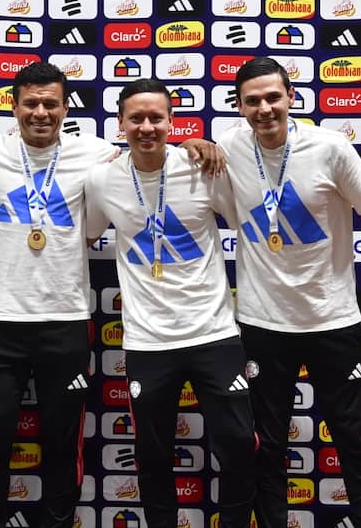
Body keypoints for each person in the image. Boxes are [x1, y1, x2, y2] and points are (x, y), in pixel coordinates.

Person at [218, 57, 361, 528]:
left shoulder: (329, 148)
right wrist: (194, 143)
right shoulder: (230, 149)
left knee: (353, 442)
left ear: (291, 98)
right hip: (263, 325)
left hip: (333, 321)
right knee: (269, 447)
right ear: (239, 107)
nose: (264, 109)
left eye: (272, 97)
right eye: (252, 101)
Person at [84, 78, 255, 528]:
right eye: (135, 118)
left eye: (156, 117)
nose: (146, 127)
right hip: (148, 341)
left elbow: (243, 221)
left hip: (214, 334)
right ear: (120, 124)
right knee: (152, 454)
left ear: (171, 122)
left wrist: (204, 145)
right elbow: (84, 234)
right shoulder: (103, 179)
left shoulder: (202, 167)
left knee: (237, 444)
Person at [0, 61, 119, 528]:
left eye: (50, 104)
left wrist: (195, 145)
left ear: (65, 107)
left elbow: (152, 154)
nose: (40, 113)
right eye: (30, 103)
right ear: (12, 107)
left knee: (61, 439)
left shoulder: (96, 154)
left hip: (65, 319)